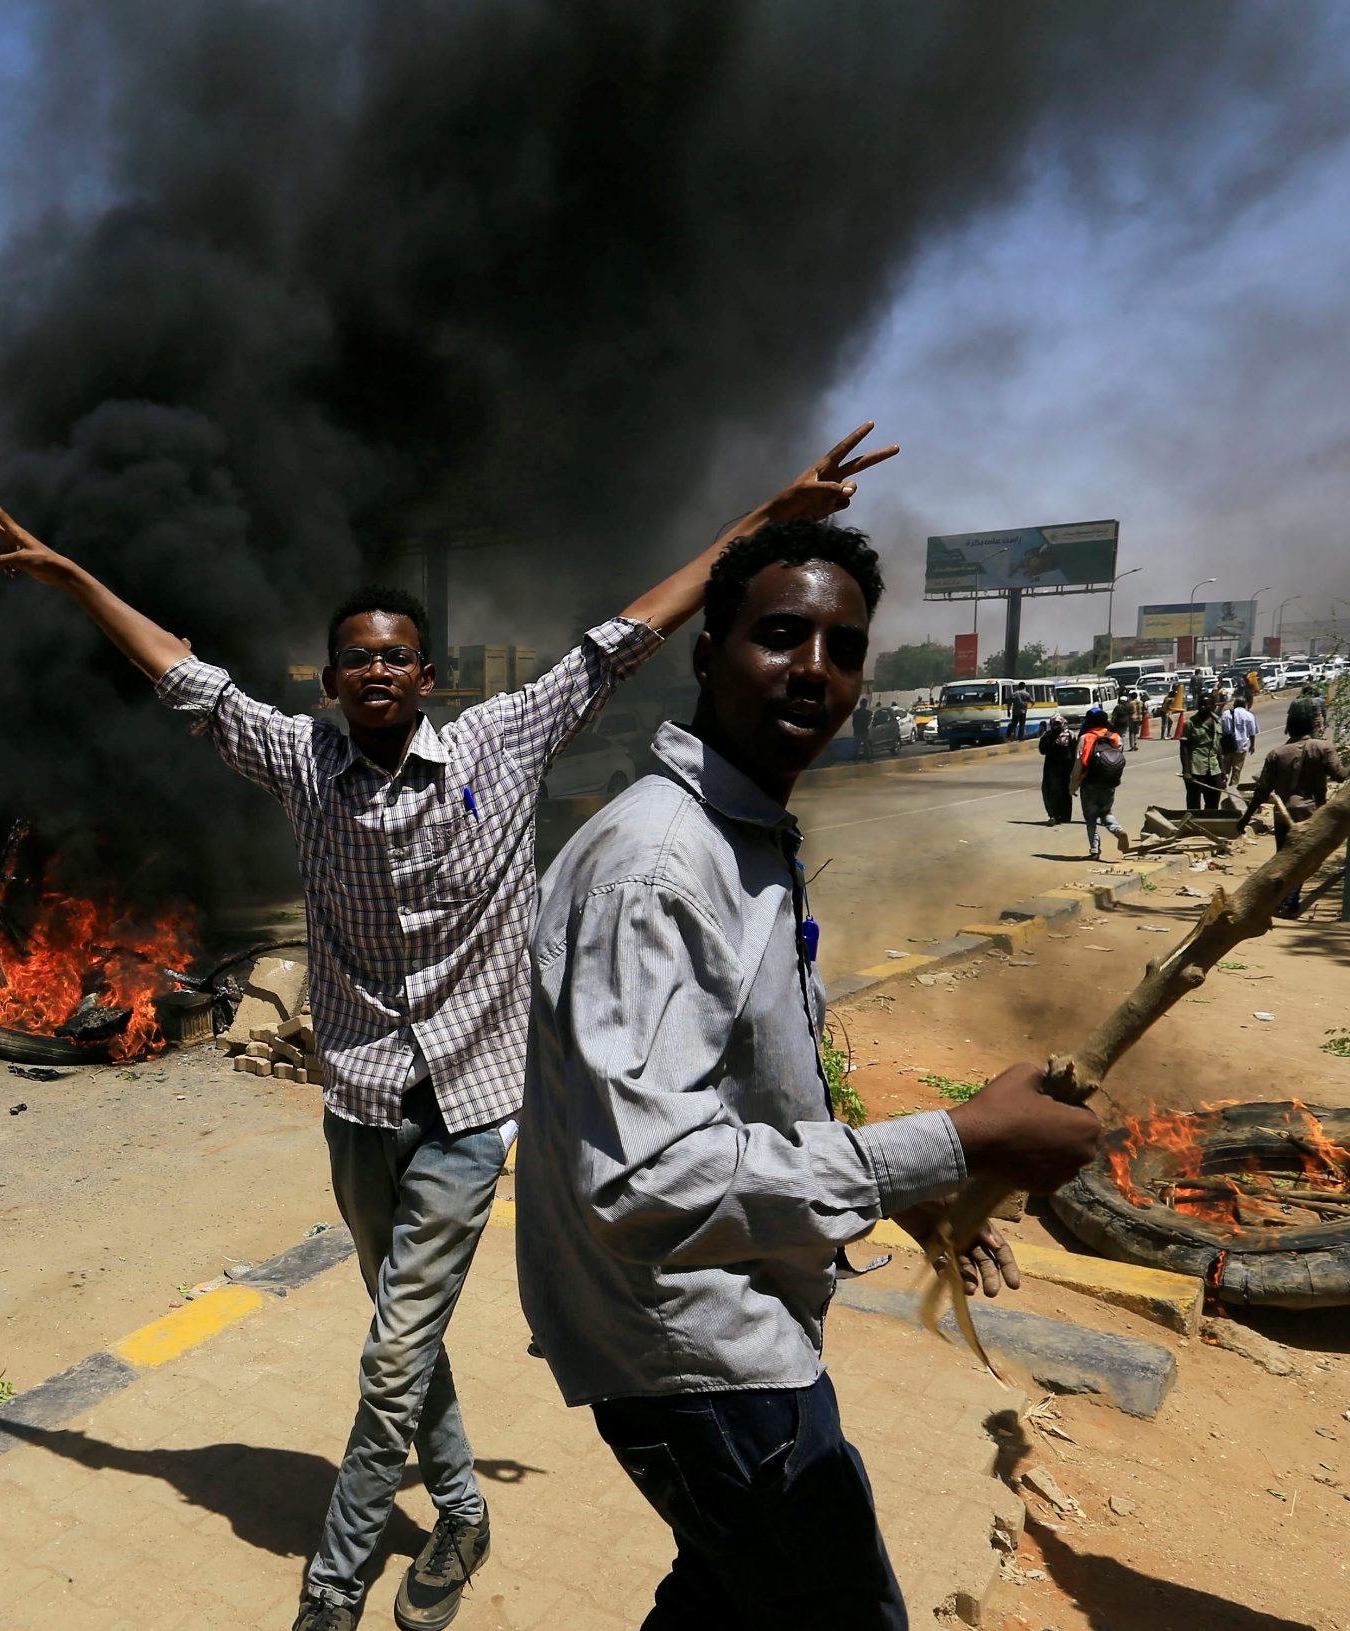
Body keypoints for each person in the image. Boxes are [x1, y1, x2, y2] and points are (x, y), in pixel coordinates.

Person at [0, 426, 899, 1631]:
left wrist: (764, 522)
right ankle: (458, 1509)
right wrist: (75, 579)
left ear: (429, 676)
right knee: (400, 1341)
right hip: (360, 1097)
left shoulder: (498, 744)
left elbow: (634, 629)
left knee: (394, 1344)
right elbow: (183, 678)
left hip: (470, 1103)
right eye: (354, 658)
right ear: (327, 682)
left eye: (397, 657)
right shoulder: (301, 762)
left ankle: (331, 1588)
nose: (375, 673)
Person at [516, 518, 1101, 1628]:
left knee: (725, 1596)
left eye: (842, 645)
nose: (814, 670)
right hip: (698, 1355)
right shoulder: (658, 866)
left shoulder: (744, 836)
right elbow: (642, 1180)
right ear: (706, 652)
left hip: (724, 1323)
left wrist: (913, 1189)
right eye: (780, 635)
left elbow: (751, 1094)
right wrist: (956, 1140)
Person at [1244, 699, 1350, 918]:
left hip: (1283, 815)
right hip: (1312, 814)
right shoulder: (1324, 748)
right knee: (1302, 859)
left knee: (1284, 858)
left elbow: (1262, 791)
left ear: (1288, 727)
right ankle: (1289, 901)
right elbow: (1339, 774)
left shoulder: (1276, 754)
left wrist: (1245, 819)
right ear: (1312, 727)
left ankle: (1286, 900)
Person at [1072, 705, 1129, 860]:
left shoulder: (1085, 738)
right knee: (1106, 812)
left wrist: (1073, 786)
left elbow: (1078, 764)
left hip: (1089, 783)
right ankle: (1117, 830)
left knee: (1090, 817)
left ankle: (1094, 850)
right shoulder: (1115, 737)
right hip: (1109, 782)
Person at [1181, 688, 1227, 814]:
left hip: (1214, 768)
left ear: (1213, 706)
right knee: (1194, 803)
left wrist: (1223, 771)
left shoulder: (1218, 721)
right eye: (1200, 704)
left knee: (1213, 801)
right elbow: (1184, 748)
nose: (1202, 707)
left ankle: (1209, 823)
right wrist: (1186, 771)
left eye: (1206, 705)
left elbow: (1217, 747)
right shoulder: (1190, 724)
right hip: (1196, 767)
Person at [1035, 715, 1076, 826]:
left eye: (1059, 723)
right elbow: (1042, 750)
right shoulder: (1047, 735)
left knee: (1066, 792)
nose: (1057, 726)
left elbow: (1075, 753)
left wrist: (1075, 770)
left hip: (1066, 768)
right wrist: (1052, 739)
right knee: (1050, 791)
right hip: (1051, 768)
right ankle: (1053, 815)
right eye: (1055, 724)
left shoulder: (1070, 736)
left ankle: (1065, 816)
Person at [1221, 690, 1259, 792]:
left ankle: (1224, 779)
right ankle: (1233, 787)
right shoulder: (1249, 716)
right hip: (1241, 746)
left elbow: (1221, 729)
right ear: (1245, 705)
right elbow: (1252, 733)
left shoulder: (1226, 714)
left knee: (1226, 766)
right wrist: (1252, 746)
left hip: (1227, 745)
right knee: (1237, 769)